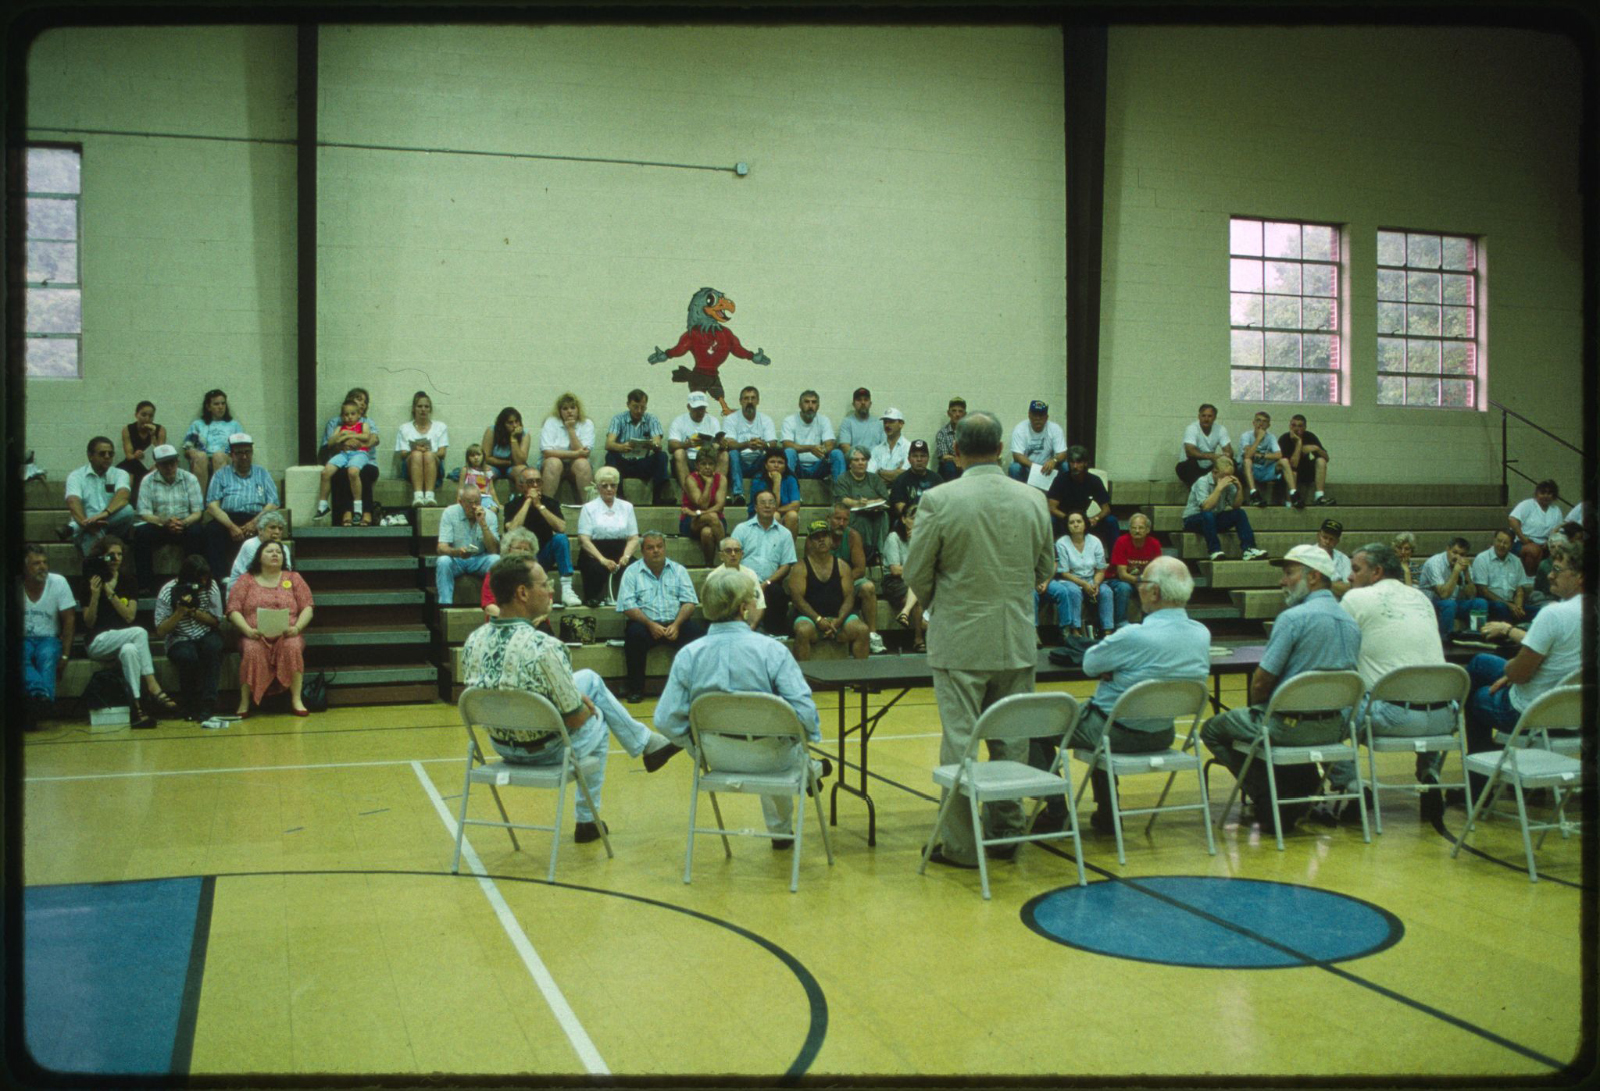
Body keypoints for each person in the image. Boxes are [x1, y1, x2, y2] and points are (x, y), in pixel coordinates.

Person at [903, 410, 1054, 869]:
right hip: (1015, 639)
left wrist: (941, 601)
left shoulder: (939, 499)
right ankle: (1006, 833)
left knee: (962, 743)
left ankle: (964, 847)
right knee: (1012, 740)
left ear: (956, 452)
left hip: (961, 641)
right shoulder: (1032, 499)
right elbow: (1046, 570)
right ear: (1002, 449)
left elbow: (916, 573)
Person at [461, 556, 684, 843]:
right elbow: (576, 718)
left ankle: (648, 744)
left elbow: (502, 687)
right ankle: (587, 820)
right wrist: (582, 705)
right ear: (522, 593)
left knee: (589, 678)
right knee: (599, 720)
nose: (551, 592)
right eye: (545, 585)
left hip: (501, 746)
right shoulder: (545, 646)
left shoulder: (473, 641)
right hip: (543, 752)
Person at [1031, 556, 1211, 835]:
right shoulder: (1202, 635)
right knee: (1107, 718)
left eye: (1142, 582)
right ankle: (1107, 813)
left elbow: (1091, 664)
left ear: (1154, 592)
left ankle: (1055, 809)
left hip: (1114, 731)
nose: (1137, 587)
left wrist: (1117, 671)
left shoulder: (1133, 636)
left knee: (1034, 727)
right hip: (1162, 731)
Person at [654, 566, 831, 846]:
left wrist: (694, 746)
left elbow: (665, 719)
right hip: (772, 758)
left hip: (716, 757)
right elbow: (805, 713)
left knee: (775, 740)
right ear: (744, 607)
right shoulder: (771, 650)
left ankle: (806, 767)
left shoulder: (689, 656)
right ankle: (797, 792)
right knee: (785, 742)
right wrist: (805, 739)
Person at [1201, 544, 1361, 834]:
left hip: (1287, 728)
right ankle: (1295, 791)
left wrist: (1265, 708)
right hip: (1333, 729)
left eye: (1289, 573)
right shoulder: (1351, 623)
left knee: (1212, 728)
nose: (1281, 581)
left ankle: (1269, 795)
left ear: (1312, 577)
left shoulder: (1292, 619)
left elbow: (1261, 684)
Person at [1316, 542, 1457, 824]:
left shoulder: (1357, 599)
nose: (1349, 577)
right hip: (1445, 719)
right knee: (1421, 689)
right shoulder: (1420, 598)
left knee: (1322, 714)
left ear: (1377, 571)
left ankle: (1353, 787)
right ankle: (1430, 774)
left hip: (1392, 717)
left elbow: (1336, 656)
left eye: (1356, 570)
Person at [1464, 538, 1585, 799]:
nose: (1550, 576)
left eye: (1557, 570)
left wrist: (1510, 672)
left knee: (1476, 696)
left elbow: (1519, 674)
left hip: (1531, 712)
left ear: (1580, 577)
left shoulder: (1554, 614)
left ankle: (1479, 789)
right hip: (1576, 713)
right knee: (1482, 663)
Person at [80, 537, 175, 728]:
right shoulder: (90, 582)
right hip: (97, 641)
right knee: (140, 632)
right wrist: (96, 595)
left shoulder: (128, 580)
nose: (116, 558)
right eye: (111, 555)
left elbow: (129, 616)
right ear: (101, 557)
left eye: (119, 554)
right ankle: (152, 684)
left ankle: (137, 707)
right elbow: (89, 622)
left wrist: (110, 594)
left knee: (131, 650)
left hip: (123, 639)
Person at [616, 531, 706, 703]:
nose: (656, 551)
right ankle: (636, 689)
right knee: (634, 635)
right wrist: (650, 624)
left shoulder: (679, 570)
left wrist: (677, 624)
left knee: (699, 637)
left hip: (676, 624)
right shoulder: (631, 572)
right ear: (642, 551)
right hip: (645, 625)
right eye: (650, 548)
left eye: (659, 547)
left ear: (665, 548)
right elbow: (627, 606)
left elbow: (689, 602)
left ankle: (697, 688)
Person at [227, 540, 313, 717]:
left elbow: (308, 607)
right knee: (251, 650)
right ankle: (244, 701)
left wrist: (297, 628)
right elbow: (233, 609)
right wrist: (248, 631)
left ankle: (296, 699)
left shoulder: (293, 578)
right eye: (270, 551)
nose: (275, 554)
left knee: (293, 647)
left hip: (288, 634)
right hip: (254, 635)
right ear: (259, 556)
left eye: (279, 552)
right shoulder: (246, 580)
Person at [153, 554, 225, 722]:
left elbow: (216, 621)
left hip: (205, 632)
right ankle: (189, 705)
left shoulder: (211, 586)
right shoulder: (167, 591)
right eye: (199, 581)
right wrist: (179, 612)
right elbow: (161, 631)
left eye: (205, 580)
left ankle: (208, 704)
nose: (202, 584)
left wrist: (193, 612)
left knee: (213, 648)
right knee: (187, 656)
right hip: (179, 637)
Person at [502, 466, 582, 608]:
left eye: (538, 482)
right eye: (530, 482)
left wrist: (539, 506)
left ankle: (567, 590)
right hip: (521, 557)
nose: (534, 486)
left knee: (561, 539)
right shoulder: (512, 505)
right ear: (521, 485)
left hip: (544, 554)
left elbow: (561, 528)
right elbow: (512, 529)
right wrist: (528, 502)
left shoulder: (550, 503)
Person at [203, 433, 280, 581]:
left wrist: (254, 523)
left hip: (256, 517)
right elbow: (212, 506)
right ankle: (221, 578)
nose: (244, 456)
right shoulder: (220, 475)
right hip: (228, 519)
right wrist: (231, 527)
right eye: (239, 453)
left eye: (247, 452)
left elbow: (273, 502)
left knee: (268, 529)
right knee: (212, 530)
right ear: (231, 454)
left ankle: (258, 578)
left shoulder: (262, 473)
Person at [132, 444, 207, 594]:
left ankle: (193, 582)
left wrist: (183, 522)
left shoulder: (189, 478)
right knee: (141, 534)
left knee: (197, 532)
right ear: (157, 465)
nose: (169, 467)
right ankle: (145, 585)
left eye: (172, 462)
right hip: (160, 525)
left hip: (184, 524)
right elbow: (144, 513)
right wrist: (164, 522)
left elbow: (197, 512)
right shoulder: (148, 481)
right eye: (164, 463)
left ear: (178, 461)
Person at [789, 520, 869, 661]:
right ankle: (804, 680)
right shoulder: (800, 567)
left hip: (839, 619)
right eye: (816, 537)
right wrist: (818, 619)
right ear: (810, 542)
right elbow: (797, 600)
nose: (821, 540)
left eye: (825, 536)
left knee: (862, 630)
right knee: (802, 631)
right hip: (810, 619)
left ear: (831, 539)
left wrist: (838, 620)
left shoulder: (843, 566)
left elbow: (849, 597)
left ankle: (861, 681)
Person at [20, 544, 76, 730]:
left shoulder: (58, 582)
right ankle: (43, 702)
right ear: (25, 567)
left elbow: (69, 619)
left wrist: (66, 655)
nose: (42, 566)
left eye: (44, 562)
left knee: (48, 657)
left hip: (49, 638)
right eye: (36, 563)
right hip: (21, 638)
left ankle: (39, 706)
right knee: (18, 656)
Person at [1037, 511, 1113, 640]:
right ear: (1067, 526)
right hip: (1070, 579)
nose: (1076, 525)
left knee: (1106, 592)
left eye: (1079, 521)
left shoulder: (1095, 541)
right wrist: (1083, 584)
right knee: (1073, 591)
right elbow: (1064, 572)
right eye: (1072, 522)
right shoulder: (1062, 543)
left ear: (1085, 524)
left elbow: (1100, 569)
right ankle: (1075, 630)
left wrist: (1095, 584)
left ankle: (1108, 631)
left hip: (1091, 578)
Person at [1181, 456, 1269, 563]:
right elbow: (1206, 507)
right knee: (1208, 514)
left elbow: (1236, 506)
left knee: (1239, 513)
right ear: (1215, 472)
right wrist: (1218, 488)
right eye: (1224, 476)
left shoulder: (1227, 481)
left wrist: (1239, 488)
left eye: (1230, 475)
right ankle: (1214, 551)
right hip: (1193, 520)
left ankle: (1249, 549)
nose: (1227, 479)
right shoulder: (1202, 481)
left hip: (1214, 519)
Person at [733, 490, 797, 636]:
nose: (767, 506)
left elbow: (786, 565)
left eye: (771, 502)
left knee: (777, 593)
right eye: (763, 502)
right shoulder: (742, 529)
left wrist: (766, 583)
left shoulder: (784, 534)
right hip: (744, 581)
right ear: (755, 507)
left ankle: (775, 633)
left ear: (775, 507)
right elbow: (733, 557)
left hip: (770, 583)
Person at [575, 466, 639, 607]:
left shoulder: (627, 507)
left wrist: (626, 556)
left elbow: (633, 538)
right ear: (598, 487)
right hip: (595, 552)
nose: (609, 489)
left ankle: (632, 600)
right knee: (595, 568)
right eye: (605, 486)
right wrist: (602, 559)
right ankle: (593, 597)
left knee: (635, 567)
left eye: (613, 485)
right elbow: (583, 539)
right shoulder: (588, 508)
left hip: (621, 550)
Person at [65, 436, 137, 557]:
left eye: (111, 453)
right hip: (87, 527)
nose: (107, 457)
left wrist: (104, 514)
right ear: (90, 456)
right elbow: (73, 502)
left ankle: (75, 528)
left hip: (111, 523)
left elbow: (123, 495)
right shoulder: (76, 476)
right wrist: (87, 525)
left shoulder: (120, 473)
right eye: (102, 453)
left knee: (128, 511)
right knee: (94, 545)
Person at [828, 503, 884, 654]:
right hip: (824, 582)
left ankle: (872, 634)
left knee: (868, 587)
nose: (841, 523)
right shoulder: (819, 535)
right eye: (837, 518)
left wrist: (842, 581)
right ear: (828, 519)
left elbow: (859, 569)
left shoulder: (853, 536)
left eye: (845, 519)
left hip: (848, 580)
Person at [319, 387, 380, 525]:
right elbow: (327, 446)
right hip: (343, 457)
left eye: (365, 401)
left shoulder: (368, 422)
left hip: (366, 460)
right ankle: (347, 511)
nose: (362, 403)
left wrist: (356, 441)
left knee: (362, 473)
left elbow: (373, 440)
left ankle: (367, 512)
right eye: (359, 399)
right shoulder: (335, 422)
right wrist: (343, 444)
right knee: (342, 473)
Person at [436, 485, 500, 607]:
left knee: (496, 560)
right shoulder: (450, 513)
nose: (474, 506)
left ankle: (493, 604)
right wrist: (457, 552)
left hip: (479, 559)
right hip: (457, 559)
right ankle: (445, 605)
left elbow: (494, 550)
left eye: (477, 502)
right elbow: (441, 548)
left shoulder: (490, 516)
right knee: (443, 561)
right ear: (461, 502)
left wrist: (483, 525)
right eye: (470, 503)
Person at [1045, 446, 1117, 551]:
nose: (1075, 466)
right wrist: (1069, 519)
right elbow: (1051, 508)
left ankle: (1114, 562)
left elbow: (1106, 509)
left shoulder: (1094, 481)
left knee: (1111, 521)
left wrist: (1095, 518)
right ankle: (1049, 561)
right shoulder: (1061, 480)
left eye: (1079, 463)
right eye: (1072, 462)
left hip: (1084, 521)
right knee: (1050, 521)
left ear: (1085, 463)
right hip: (1064, 519)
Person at [604, 389, 670, 500]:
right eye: (635, 407)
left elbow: (658, 443)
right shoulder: (618, 419)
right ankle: (619, 497)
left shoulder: (652, 419)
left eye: (642, 407)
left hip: (642, 463)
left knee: (662, 456)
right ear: (628, 405)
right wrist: (621, 447)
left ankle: (658, 497)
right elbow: (608, 444)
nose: (639, 411)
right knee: (610, 456)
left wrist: (654, 445)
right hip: (623, 463)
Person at [1418, 537, 1487, 637]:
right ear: (1447, 549)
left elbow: (1472, 595)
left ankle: (1477, 637)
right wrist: (1456, 571)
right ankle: (1445, 640)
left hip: (1454, 603)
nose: (1457, 557)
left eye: (1462, 554)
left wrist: (1466, 573)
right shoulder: (1434, 563)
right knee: (1449, 604)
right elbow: (1444, 595)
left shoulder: (1465, 565)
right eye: (1454, 552)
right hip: (1431, 604)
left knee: (1480, 602)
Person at [881, 503, 927, 651]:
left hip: (916, 581)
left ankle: (905, 614)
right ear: (903, 519)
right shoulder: (894, 537)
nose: (917, 522)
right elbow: (895, 570)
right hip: (894, 582)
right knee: (919, 595)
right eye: (913, 518)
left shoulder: (923, 539)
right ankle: (918, 639)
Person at [720, 385, 777, 505]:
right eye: (746, 398)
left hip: (758, 460)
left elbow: (773, 443)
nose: (749, 401)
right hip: (739, 463)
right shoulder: (731, 419)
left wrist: (763, 444)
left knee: (767, 455)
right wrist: (747, 444)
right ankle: (738, 494)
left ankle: (758, 496)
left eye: (753, 398)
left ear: (758, 401)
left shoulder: (766, 420)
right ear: (740, 401)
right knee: (732, 453)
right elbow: (729, 443)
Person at [833, 447, 890, 562]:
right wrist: (858, 503)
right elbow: (842, 499)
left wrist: (872, 504)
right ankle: (864, 554)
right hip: (853, 514)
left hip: (874, 512)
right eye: (856, 460)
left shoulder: (874, 479)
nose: (860, 463)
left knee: (884, 517)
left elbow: (885, 498)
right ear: (850, 463)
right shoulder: (843, 479)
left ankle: (880, 553)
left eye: (863, 460)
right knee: (863, 520)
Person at [538, 392, 596, 500]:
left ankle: (588, 506)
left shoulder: (587, 423)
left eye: (572, 408)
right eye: (565, 408)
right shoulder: (551, 422)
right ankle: (546, 505)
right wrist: (575, 454)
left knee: (582, 464)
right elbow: (547, 452)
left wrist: (570, 429)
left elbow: (584, 453)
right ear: (560, 411)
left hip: (575, 465)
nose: (569, 411)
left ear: (578, 409)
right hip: (553, 463)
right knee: (553, 463)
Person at [1108, 512, 1162, 627]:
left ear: (1147, 529)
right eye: (1134, 528)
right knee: (1124, 588)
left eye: (1141, 528)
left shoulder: (1154, 544)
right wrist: (1140, 581)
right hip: (1118, 580)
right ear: (1129, 529)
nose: (1137, 531)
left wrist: (1144, 582)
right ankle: (1120, 623)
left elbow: (1157, 570)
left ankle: (1149, 623)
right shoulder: (1121, 542)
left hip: (1142, 580)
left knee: (1154, 587)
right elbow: (1122, 575)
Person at [396, 390, 448, 507]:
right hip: (411, 465)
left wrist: (428, 451)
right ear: (414, 409)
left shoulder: (440, 426)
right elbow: (403, 454)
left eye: (426, 406)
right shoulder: (404, 428)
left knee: (428, 455)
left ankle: (430, 496)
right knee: (416, 455)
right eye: (419, 406)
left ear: (430, 409)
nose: (423, 409)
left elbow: (442, 453)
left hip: (434, 464)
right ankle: (418, 496)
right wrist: (416, 450)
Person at [1471, 529, 1535, 623]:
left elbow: (1519, 590)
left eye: (1505, 543)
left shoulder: (1516, 561)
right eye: (1499, 541)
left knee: (1537, 611)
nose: (1501, 545)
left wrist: (1518, 607)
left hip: (1512, 604)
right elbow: (1483, 591)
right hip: (1491, 603)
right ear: (1494, 540)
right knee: (1501, 608)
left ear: (1511, 545)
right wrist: (1508, 605)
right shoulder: (1482, 559)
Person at [181, 388, 237, 494]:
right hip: (202, 459)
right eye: (216, 404)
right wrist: (191, 452)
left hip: (225, 458)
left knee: (218, 456)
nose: (220, 407)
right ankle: (199, 505)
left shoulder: (233, 425)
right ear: (208, 407)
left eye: (223, 403)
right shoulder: (197, 425)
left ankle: (218, 501)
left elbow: (241, 447)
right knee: (201, 456)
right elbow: (187, 449)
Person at [681, 446, 728, 566]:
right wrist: (708, 483)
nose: (707, 467)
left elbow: (720, 506)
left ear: (715, 465)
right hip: (691, 521)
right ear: (697, 465)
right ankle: (727, 557)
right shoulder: (690, 479)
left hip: (713, 518)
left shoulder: (721, 479)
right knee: (712, 516)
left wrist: (699, 513)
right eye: (703, 464)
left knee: (707, 532)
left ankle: (709, 565)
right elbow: (702, 504)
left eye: (711, 464)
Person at [668, 392, 726, 489]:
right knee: (679, 453)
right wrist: (686, 445)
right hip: (689, 460)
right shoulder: (679, 421)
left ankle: (715, 491)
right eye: (697, 409)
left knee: (724, 455)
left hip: (708, 459)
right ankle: (688, 492)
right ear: (689, 407)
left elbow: (718, 443)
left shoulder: (713, 421)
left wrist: (721, 444)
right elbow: (670, 446)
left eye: (702, 409)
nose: (700, 412)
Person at [781, 390, 844, 480]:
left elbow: (830, 444)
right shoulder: (789, 421)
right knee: (789, 452)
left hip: (818, 466)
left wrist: (822, 450)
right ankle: (786, 491)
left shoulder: (824, 420)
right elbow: (787, 445)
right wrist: (810, 448)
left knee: (837, 453)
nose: (810, 406)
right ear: (800, 405)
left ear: (818, 406)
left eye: (814, 402)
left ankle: (841, 492)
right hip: (797, 466)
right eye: (806, 402)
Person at [1507, 479, 1564, 577]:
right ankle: (1530, 579)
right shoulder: (1527, 504)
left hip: (1546, 544)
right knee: (1533, 551)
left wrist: (1549, 542)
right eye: (1543, 493)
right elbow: (1512, 520)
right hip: (1523, 542)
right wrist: (1524, 539)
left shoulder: (1556, 510)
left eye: (1549, 493)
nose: (1546, 496)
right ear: (1537, 493)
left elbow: (1558, 530)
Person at [228, 510, 292, 594]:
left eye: (280, 528)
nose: (277, 532)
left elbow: (286, 573)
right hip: (243, 591)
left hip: (272, 587)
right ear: (260, 530)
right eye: (272, 527)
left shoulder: (284, 548)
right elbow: (255, 575)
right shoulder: (250, 545)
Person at [1280, 413, 1334, 507]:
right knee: (1293, 472)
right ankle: (1290, 502)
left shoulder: (1310, 436)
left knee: (1321, 461)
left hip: (1305, 470)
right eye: (1293, 425)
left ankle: (1319, 497)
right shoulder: (1284, 439)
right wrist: (1299, 443)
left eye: (1300, 426)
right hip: (1289, 472)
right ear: (1289, 426)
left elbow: (1326, 458)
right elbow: (1293, 464)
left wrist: (1316, 448)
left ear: (1305, 427)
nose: (1296, 428)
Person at [1009, 400, 1068, 483]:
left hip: (1049, 469)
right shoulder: (1020, 429)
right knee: (1014, 468)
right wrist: (1034, 468)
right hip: (1028, 468)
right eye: (1034, 415)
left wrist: (1054, 460)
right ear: (1029, 415)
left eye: (1041, 415)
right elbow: (1017, 455)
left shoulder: (1055, 429)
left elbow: (1063, 453)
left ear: (1046, 417)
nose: (1037, 418)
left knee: (1065, 466)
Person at [747, 448, 802, 535]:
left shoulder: (790, 479)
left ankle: (789, 548)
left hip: (780, 515)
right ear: (766, 465)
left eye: (780, 462)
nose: (776, 465)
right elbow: (769, 506)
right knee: (774, 516)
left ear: (785, 466)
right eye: (772, 462)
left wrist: (777, 510)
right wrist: (777, 482)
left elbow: (796, 506)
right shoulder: (758, 480)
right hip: (758, 517)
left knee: (792, 515)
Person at [715, 536, 766, 630]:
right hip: (725, 624)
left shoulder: (750, 574)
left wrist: (753, 625)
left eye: (737, 550)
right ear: (721, 556)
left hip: (750, 623)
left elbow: (760, 604)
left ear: (742, 554)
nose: (733, 554)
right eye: (728, 551)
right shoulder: (714, 577)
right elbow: (715, 609)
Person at [1240, 410, 1289, 507]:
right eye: (1258, 420)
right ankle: (1254, 494)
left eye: (1264, 421)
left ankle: (1293, 494)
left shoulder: (1271, 437)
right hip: (1250, 470)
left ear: (1269, 425)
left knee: (1284, 461)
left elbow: (1279, 455)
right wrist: (1258, 439)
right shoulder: (1245, 436)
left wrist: (1262, 456)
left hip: (1264, 470)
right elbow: (1248, 455)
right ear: (1253, 423)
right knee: (1247, 461)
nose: (1261, 424)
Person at [1176, 403, 1232, 486]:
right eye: (1203, 416)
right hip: (1188, 465)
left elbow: (1229, 451)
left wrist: (1225, 456)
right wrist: (1211, 456)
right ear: (1199, 417)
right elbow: (1190, 452)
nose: (1206, 419)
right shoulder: (1192, 428)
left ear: (1215, 417)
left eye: (1210, 416)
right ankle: (1198, 493)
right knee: (1190, 466)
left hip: (1209, 467)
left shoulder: (1221, 429)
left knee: (1231, 464)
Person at [888, 440, 940, 527]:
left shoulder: (937, 479)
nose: (919, 459)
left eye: (923, 456)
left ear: (928, 459)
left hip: (932, 522)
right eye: (915, 456)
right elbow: (899, 507)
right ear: (909, 459)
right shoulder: (901, 480)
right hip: (908, 524)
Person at [117, 399, 165, 493]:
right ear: (136, 415)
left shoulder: (160, 430)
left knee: (156, 471)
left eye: (151, 416)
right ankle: (126, 499)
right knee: (127, 475)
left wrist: (152, 435)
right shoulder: (127, 429)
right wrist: (135, 455)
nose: (147, 418)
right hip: (133, 462)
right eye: (143, 415)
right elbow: (128, 455)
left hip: (151, 462)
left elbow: (160, 453)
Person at [835, 387, 885, 463]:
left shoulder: (879, 423)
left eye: (866, 399)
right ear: (853, 404)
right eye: (859, 400)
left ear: (870, 404)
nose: (863, 402)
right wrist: (861, 459)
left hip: (875, 462)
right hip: (855, 462)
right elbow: (845, 447)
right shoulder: (847, 422)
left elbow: (884, 446)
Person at [482, 406, 530, 479]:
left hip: (513, 467)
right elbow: (486, 457)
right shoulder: (492, 431)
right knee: (483, 473)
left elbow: (519, 462)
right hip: (494, 466)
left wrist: (513, 439)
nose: (515, 425)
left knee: (524, 472)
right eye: (510, 423)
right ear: (503, 424)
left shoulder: (525, 434)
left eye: (517, 421)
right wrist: (508, 463)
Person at [868, 409, 912, 484]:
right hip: (879, 493)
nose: (887, 425)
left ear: (901, 424)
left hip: (900, 493)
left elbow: (905, 476)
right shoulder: (876, 450)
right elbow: (870, 477)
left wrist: (879, 472)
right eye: (885, 422)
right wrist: (895, 472)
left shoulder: (909, 447)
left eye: (891, 422)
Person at [1316, 518, 1352, 597]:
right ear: (1318, 535)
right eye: (1324, 537)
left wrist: (1321, 583)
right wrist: (1337, 584)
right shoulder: (1306, 553)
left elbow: (1348, 589)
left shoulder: (1344, 559)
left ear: (1337, 541)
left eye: (1331, 539)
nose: (1327, 542)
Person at [933, 396, 967, 482]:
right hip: (950, 467)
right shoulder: (942, 433)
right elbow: (944, 456)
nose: (957, 414)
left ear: (965, 414)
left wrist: (962, 461)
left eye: (960, 411)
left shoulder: (970, 432)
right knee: (949, 466)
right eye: (954, 411)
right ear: (948, 413)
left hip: (967, 462)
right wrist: (956, 460)